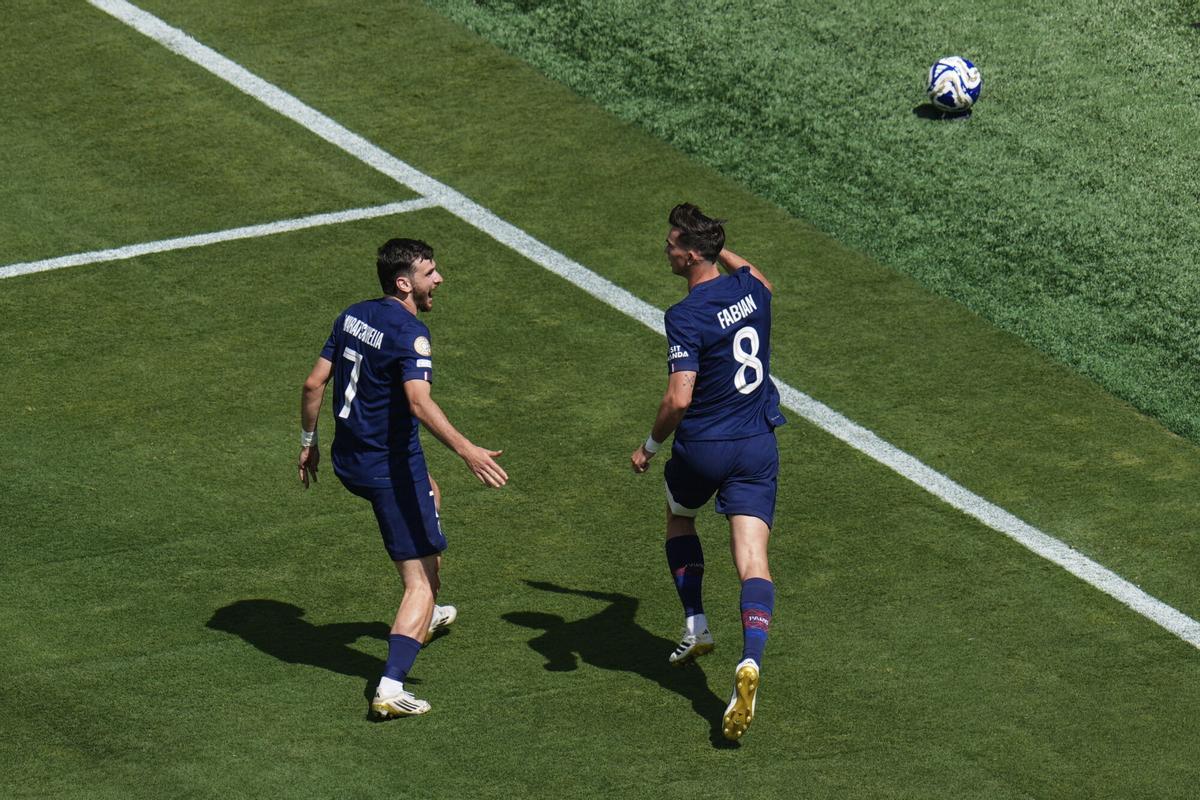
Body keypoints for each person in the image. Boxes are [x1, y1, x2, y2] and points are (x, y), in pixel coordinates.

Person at [298, 237, 508, 720]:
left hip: (349, 457)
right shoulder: (410, 335)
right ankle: (390, 686)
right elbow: (418, 402)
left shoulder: (352, 315)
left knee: (428, 492)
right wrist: (467, 450)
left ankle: (427, 618)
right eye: (430, 272)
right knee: (420, 582)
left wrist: (307, 443)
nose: (439, 279)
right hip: (386, 467)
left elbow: (313, 384)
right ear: (404, 282)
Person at [630, 203, 786, 742]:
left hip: (704, 447)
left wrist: (649, 445)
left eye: (673, 244)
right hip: (757, 445)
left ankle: (696, 623)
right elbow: (758, 275)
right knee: (753, 560)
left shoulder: (685, 315)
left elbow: (679, 397)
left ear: (693, 255)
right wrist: (725, 250)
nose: (667, 250)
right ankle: (751, 661)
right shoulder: (753, 290)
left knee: (679, 513)